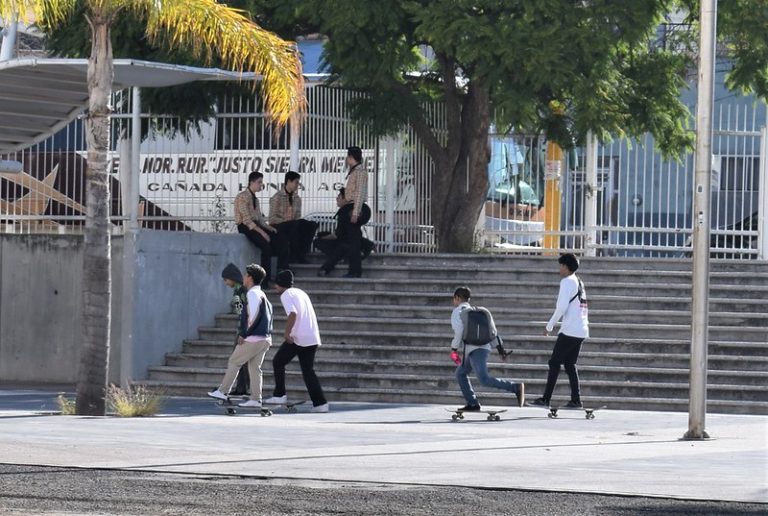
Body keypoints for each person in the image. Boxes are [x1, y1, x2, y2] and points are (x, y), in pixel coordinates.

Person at [529, 253, 590, 409]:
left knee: (554, 362)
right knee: (570, 364)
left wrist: (549, 326)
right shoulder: (579, 281)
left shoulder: (567, 282)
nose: (559, 268)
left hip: (570, 329)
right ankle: (576, 400)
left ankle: (546, 399)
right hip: (581, 329)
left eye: (561, 265)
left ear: (566, 266)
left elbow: (561, 308)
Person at [208, 264, 273, 408]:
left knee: (234, 361)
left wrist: (244, 333)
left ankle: (223, 391)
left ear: (250, 277)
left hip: (253, 337)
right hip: (264, 338)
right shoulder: (261, 294)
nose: (243, 277)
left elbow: (253, 316)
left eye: (245, 275)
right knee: (255, 368)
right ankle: (256, 399)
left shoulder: (252, 294)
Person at [264, 270, 330, 413]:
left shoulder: (286, 294)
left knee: (278, 362)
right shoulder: (300, 292)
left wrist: (287, 333)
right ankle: (320, 403)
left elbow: (293, 314)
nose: (275, 287)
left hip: (298, 337)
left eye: (276, 284)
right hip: (311, 336)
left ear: (281, 284)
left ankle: (280, 394)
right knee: (308, 371)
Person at [450, 286, 524, 411]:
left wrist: (454, 349)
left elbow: (459, 331)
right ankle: (472, 403)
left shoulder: (458, 312)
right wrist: (501, 350)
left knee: (484, 379)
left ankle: (515, 387)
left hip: (474, 350)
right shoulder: (482, 312)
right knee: (461, 373)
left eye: (454, 299)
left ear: (457, 298)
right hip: (482, 348)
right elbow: (493, 332)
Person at [234, 171, 289, 288]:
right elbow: (247, 220)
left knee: (281, 239)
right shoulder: (242, 197)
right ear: (251, 182)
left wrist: (270, 229)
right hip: (246, 226)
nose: (261, 185)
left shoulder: (256, 200)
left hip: (256, 225)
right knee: (266, 247)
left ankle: (282, 270)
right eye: (259, 182)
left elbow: (260, 219)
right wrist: (262, 232)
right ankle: (264, 280)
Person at [316, 187, 374, 276]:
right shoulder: (348, 212)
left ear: (345, 199)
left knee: (326, 244)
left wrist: (323, 237)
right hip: (350, 243)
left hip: (347, 244)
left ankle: (326, 269)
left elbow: (337, 235)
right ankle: (326, 269)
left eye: (339, 196)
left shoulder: (345, 212)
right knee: (343, 246)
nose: (337, 199)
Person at [268, 171, 319, 265]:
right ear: (288, 181)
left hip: (292, 224)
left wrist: (293, 221)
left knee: (311, 225)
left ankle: (302, 254)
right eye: (296, 182)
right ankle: (298, 256)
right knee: (294, 225)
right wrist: (286, 221)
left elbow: (298, 216)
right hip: (278, 225)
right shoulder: (277, 197)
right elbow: (271, 218)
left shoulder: (297, 199)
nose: (297, 185)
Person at [336, 146, 370, 278]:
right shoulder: (354, 172)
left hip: (355, 208)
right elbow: (351, 194)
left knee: (353, 240)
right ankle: (366, 246)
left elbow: (360, 193)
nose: (346, 160)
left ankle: (355, 270)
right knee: (348, 237)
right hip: (349, 206)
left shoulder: (360, 171)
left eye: (347, 157)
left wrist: (355, 212)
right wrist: (342, 201)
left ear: (350, 158)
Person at [221, 263, 250, 396]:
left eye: (226, 279)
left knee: (237, 358)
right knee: (241, 360)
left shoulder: (239, 291)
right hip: (245, 328)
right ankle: (242, 387)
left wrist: (242, 331)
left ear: (232, 278)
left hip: (244, 330)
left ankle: (239, 388)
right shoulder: (241, 289)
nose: (225, 283)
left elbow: (243, 312)